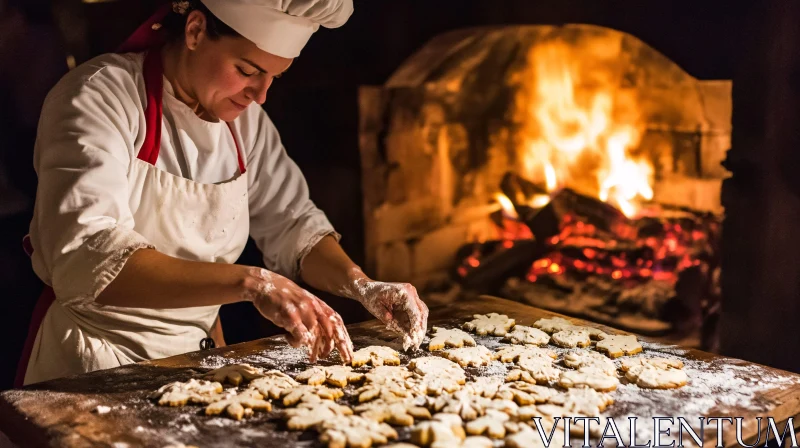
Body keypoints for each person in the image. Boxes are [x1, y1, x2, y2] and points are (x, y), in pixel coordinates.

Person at [18, 0, 429, 387]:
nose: (260, 94)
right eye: (248, 70)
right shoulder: (100, 97)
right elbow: (89, 256)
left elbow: (294, 224)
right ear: (195, 30)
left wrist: (361, 284)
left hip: (197, 362)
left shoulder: (245, 124)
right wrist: (251, 283)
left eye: (275, 77)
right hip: (94, 367)